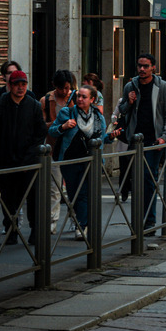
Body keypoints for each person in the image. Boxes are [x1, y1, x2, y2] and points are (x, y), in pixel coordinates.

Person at [0, 69, 48, 245]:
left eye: (23, 84)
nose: (20, 88)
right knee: (8, 197)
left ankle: (35, 230)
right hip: (6, 158)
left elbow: (40, 132)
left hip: (29, 160)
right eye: (17, 84)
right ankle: (11, 229)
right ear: (9, 85)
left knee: (33, 196)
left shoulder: (34, 105)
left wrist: (31, 153)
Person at [117, 54, 166, 234]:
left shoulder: (162, 87)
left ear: (153, 67)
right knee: (135, 180)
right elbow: (122, 112)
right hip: (135, 139)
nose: (142, 69)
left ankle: (149, 222)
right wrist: (129, 102)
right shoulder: (130, 86)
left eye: (146, 66)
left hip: (153, 140)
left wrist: (164, 136)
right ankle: (137, 221)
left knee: (149, 179)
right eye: (139, 66)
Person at [49, 84, 107, 240]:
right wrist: (63, 126)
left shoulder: (97, 116)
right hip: (70, 160)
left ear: (92, 99)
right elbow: (52, 131)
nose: (80, 99)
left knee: (84, 193)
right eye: (78, 96)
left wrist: (112, 136)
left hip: (90, 160)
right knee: (74, 193)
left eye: (84, 97)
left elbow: (102, 137)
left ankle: (83, 225)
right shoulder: (67, 113)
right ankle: (79, 220)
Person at [41, 69, 75, 235]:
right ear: (54, 86)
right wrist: (58, 125)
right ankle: (52, 222)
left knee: (75, 188)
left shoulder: (75, 99)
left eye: (67, 88)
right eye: (61, 88)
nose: (64, 91)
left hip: (73, 149)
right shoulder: (46, 100)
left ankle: (77, 222)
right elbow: (41, 126)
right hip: (53, 148)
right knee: (54, 189)